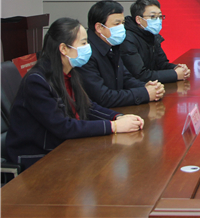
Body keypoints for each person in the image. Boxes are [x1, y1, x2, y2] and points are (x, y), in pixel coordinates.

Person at [6, 18, 144, 171]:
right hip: (37, 158)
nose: (88, 47)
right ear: (64, 49)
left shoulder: (70, 72)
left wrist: (117, 117)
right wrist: (114, 127)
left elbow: (87, 107)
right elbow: (63, 127)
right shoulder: (37, 82)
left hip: (65, 148)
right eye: (83, 43)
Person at [77, 0, 165, 108]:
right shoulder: (86, 54)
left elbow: (125, 78)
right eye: (117, 24)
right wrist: (144, 93)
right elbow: (103, 97)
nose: (122, 28)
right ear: (99, 27)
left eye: (123, 23)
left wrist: (146, 87)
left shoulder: (113, 45)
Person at [121, 0, 190, 83]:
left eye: (160, 16)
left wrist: (177, 68)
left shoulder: (152, 36)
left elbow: (161, 64)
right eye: (153, 16)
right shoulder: (127, 39)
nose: (158, 20)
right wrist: (175, 74)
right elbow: (140, 75)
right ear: (139, 19)